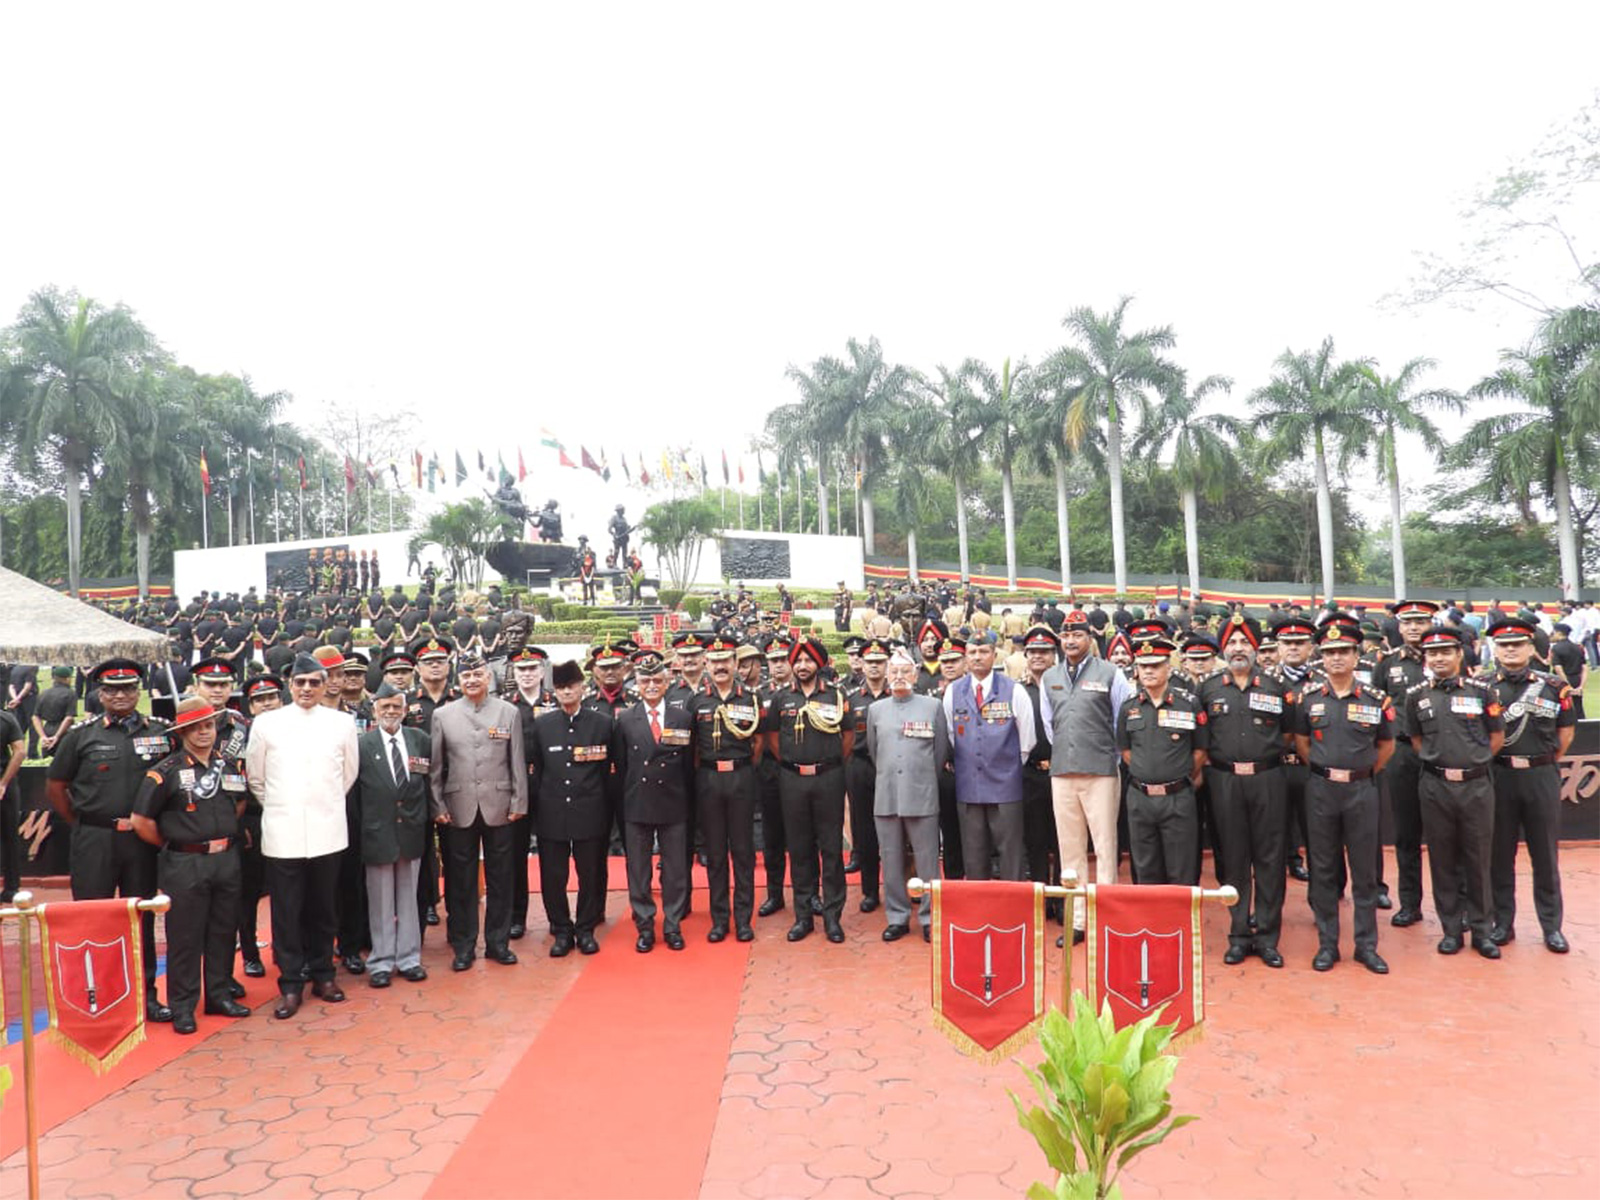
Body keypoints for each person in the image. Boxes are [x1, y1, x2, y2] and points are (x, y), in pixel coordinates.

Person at [46, 659, 175, 1023]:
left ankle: (146, 995)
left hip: (141, 843)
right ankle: (98, 995)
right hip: (96, 839)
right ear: (99, 694)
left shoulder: (161, 733)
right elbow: (57, 787)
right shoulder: (81, 736)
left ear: (140, 692)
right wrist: (84, 823)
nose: (120, 695)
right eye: (111, 689)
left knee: (143, 918)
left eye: (128, 688)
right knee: (93, 919)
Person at [245, 653, 360, 1019]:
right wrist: (285, 805)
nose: (307, 688)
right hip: (283, 831)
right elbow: (256, 778)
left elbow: (348, 775)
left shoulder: (342, 723)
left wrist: (319, 804)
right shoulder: (267, 724)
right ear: (290, 685)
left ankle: (324, 974)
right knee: (287, 911)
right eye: (300, 682)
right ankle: (292, 983)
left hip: (327, 828)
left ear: (325, 684)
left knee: (324, 909)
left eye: (314, 682)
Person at [131, 697, 251, 1034]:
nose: (203, 732)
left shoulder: (228, 766)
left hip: (225, 860)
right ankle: (182, 1006)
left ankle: (218, 995)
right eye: (195, 727)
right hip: (185, 863)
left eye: (209, 725)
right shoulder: (165, 771)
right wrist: (178, 842)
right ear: (182, 731)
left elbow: (239, 804)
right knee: (185, 937)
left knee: (223, 931)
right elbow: (141, 821)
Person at [1294, 616, 1396, 974]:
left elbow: (1386, 745)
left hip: (1361, 790)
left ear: (1356, 655)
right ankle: (1327, 945)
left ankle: (1366, 946)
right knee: (1323, 868)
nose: (1336, 658)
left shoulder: (1375, 699)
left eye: (1343, 651)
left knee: (1364, 870)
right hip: (1322, 790)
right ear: (1321, 657)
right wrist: (1326, 769)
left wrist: (1361, 771)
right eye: (1329, 652)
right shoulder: (1309, 699)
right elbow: (1302, 743)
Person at [1405, 626, 1505, 959]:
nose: (1439, 658)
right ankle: (1450, 929)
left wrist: (1472, 763)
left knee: (1478, 858)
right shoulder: (1415, 695)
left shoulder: (1481, 692)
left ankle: (1481, 930)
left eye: (1445, 652)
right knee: (1442, 858)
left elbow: (1496, 738)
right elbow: (1417, 741)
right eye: (1432, 653)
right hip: (1434, 786)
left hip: (1476, 785)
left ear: (1459, 654)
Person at [1199, 615, 1294, 968]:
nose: (1239, 649)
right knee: (1234, 860)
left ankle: (1268, 937)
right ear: (1224, 650)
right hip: (1224, 781)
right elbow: (1202, 739)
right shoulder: (1208, 689)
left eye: (1245, 643)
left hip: (1267, 779)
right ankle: (1239, 934)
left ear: (1256, 648)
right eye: (1232, 644)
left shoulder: (1275, 687)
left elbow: (1287, 735)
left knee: (1270, 860)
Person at [1039, 613, 1135, 944]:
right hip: (1063, 771)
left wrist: (1099, 749)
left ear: (1089, 639)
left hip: (1101, 772)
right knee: (1070, 850)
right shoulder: (1049, 676)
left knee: (1106, 848)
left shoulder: (1111, 673)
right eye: (1065, 635)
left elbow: (1120, 720)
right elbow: (1051, 725)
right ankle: (1078, 921)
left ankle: (1105, 919)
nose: (1070, 641)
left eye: (1077, 634)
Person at [429, 652, 528, 971]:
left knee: (501, 877)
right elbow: (436, 766)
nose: (471, 680)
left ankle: (498, 943)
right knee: (460, 880)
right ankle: (463, 945)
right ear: (457, 682)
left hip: (500, 805)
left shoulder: (508, 712)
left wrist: (519, 801)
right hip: (457, 807)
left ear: (488, 678)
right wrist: (437, 804)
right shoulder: (443, 715)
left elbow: (517, 761)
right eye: (465, 676)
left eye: (477, 675)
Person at [1484, 615, 1576, 953]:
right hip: (1498, 775)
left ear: (1530, 647)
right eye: (1504, 645)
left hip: (1540, 775)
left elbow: (1565, 734)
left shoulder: (1552, 686)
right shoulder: (1483, 686)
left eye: (1517, 644)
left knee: (1545, 855)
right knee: (1499, 854)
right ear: (1495, 649)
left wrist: (1542, 759)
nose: (1511, 650)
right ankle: (1502, 923)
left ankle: (1551, 927)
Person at [765, 636, 853, 943]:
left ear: (820, 663)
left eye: (808, 661)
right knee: (800, 849)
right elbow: (773, 739)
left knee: (831, 848)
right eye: (798, 661)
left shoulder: (836, 695)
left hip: (828, 778)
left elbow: (848, 737)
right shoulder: (780, 699)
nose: (803, 666)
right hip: (792, 780)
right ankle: (803, 916)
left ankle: (832, 916)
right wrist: (795, 763)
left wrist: (825, 763)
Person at [530, 659, 616, 956]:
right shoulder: (542, 725)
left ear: (583, 687)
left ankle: (586, 929)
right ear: (554, 691)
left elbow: (609, 771)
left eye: (572, 686)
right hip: (552, 811)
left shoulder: (602, 724)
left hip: (590, 809)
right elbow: (536, 770)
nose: (567, 692)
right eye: (561, 687)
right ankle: (562, 930)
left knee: (590, 873)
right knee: (553, 876)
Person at [869, 648, 951, 943]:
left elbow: (940, 751)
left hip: (922, 793)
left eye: (905, 672)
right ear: (887, 676)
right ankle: (897, 916)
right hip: (888, 795)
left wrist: (923, 778)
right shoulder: (876, 710)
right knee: (891, 860)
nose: (899, 677)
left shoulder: (932, 707)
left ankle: (930, 917)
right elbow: (874, 751)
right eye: (894, 672)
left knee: (928, 860)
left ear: (916, 675)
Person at [616, 650, 695, 952]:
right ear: (636, 683)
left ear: (667, 682)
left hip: (674, 801)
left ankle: (673, 924)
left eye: (657, 679)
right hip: (637, 802)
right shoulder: (625, 720)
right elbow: (622, 766)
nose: (651, 684)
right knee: (639, 869)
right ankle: (645, 925)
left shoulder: (682, 718)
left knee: (675, 870)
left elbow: (689, 765)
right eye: (645, 679)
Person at [354, 683, 433, 987]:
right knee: (380, 900)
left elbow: (428, 784)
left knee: (409, 899)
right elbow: (356, 796)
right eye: (384, 706)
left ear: (404, 709)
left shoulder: (420, 740)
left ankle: (409, 958)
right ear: (375, 709)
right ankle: (382, 961)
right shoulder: (363, 745)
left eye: (396, 707)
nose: (390, 712)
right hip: (377, 832)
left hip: (412, 830)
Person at [1117, 633, 1208, 886]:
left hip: (1177, 798)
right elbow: (1125, 750)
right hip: (1140, 798)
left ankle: (1180, 924)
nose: (1148, 671)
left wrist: (1179, 775)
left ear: (1169, 667)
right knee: (1145, 868)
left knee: (1181, 869)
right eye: (1143, 665)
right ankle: (1150, 924)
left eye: (1155, 665)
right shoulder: (1129, 707)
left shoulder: (1188, 704)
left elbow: (1200, 750)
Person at [688, 635, 763, 943]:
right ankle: (720, 919)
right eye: (714, 661)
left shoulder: (750, 698)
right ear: (707, 664)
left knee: (743, 851)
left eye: (725, 661)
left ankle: (743, 919)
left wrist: (742, 768)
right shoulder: (698, 701)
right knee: (715, 852)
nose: (720, 666)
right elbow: (692, 748)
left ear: (735, 664)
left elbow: (758, 743)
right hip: (708, 780)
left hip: (741, 777)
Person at [944, 635, 1034, 881]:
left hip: (1006, 785)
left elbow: (1027, 740)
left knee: (1011, 854)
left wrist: (1006, 768)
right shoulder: (953, 692)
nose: (977, 657)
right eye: (972, 652)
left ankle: (1013, 911)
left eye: (983, 651)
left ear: (994, 655)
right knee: (974, 856)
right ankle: (979, 912)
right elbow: (952, 736)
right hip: (969, 784)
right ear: (966, 657)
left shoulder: (1014, 690)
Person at [1371, 600, 1437, 927]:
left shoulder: (1446, 658)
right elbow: (1376, 709)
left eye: (1420, 621)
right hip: (1401, 753)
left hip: (1440, 753)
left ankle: (1457, 907)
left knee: (1445, 834)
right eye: (1407, 622)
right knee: (1407, 833)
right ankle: (1410, 904)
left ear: (1431, 623)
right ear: (1398, 626)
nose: (1413, 627)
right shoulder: (1386, 664)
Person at [505, 647, 556, 939]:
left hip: (549, 784)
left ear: (541, 671)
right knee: (515, 855)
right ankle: (516, 917)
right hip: (517, 785)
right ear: (514, 672)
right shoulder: (506, 705)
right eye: (521, 669)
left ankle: (555, 916)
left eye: (532, 669)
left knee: (552, 855)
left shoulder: (553, 702)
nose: (526, 674)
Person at [844, 638, 893, 914]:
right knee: (864, 831)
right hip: (860, 767)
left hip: (890, 767)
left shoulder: (896, 695)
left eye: (879, 662)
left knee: (895, 831)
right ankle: (870, 891)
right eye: (869, 662)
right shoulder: (850, 698)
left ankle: (896, 888)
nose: (874, 667)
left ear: (887, 665)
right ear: (861, 664)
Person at [0, 705, 26, 903]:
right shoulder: (7, 718)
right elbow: (20, 751)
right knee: (10, 836)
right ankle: (12, 887)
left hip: (5, 784)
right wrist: (4, 783)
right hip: (6, 785)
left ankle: (12, 887)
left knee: (10, 836)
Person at [32, 665, 78, 758]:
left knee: (47, 762)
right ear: (67, 678)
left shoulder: (44, 693)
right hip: (65, 731)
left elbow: (35, 717)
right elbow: (69, 718)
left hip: (47, 729)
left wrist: (43, 736)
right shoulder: (70, 693)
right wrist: (57, 736)